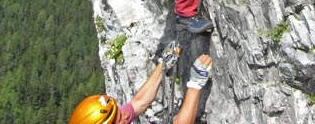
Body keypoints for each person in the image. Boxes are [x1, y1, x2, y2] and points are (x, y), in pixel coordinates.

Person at [69, 45, 213, 124]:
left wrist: (162, 65)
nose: (125, 116)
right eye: (120, 120)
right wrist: (195, 84)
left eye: (120, 113)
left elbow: (139, 103)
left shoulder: (117, 119)